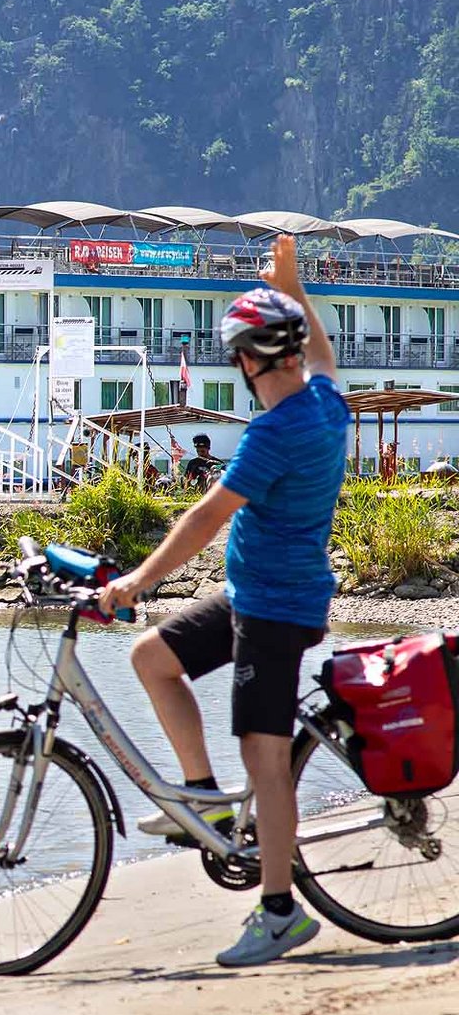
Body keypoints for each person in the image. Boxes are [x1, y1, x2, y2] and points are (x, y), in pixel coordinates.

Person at [98, 234, 348, 967]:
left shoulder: (276, 433)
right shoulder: (326, 404)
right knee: (152, 657)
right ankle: (203, 799)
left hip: (275, 610)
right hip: (255, 598)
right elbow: (328, 357)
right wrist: (295, 287)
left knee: (265, 760)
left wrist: (136, 582)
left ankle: (279, 913)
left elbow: (206, 516)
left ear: (246, 360)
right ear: (289, 351)